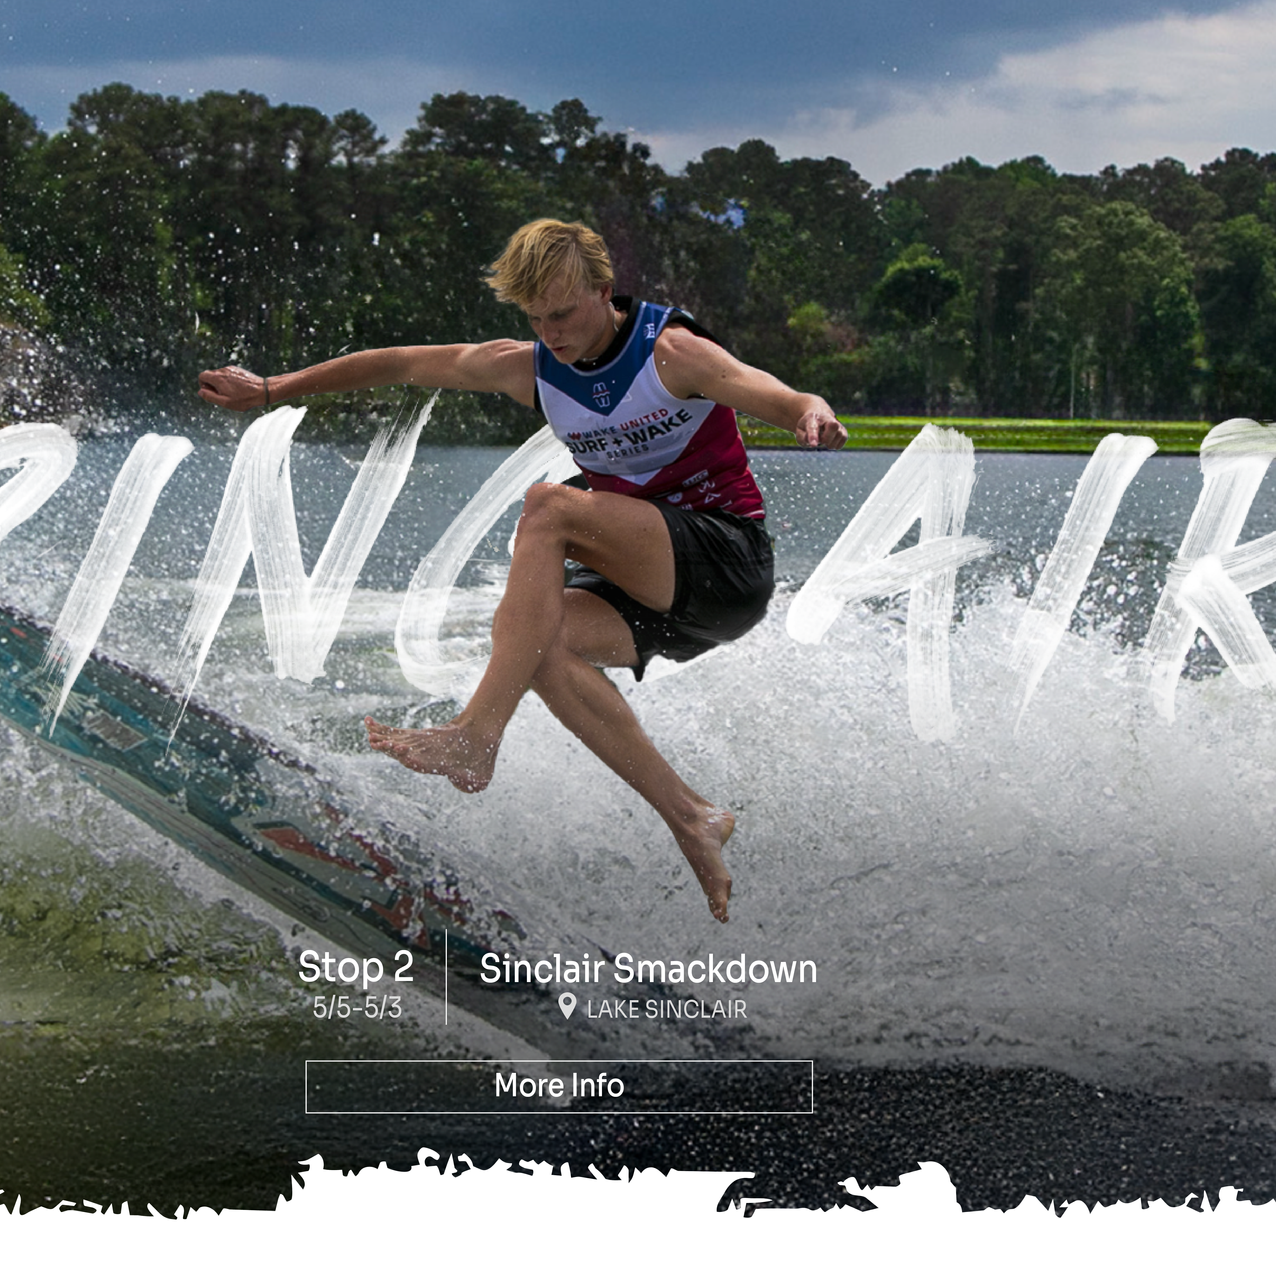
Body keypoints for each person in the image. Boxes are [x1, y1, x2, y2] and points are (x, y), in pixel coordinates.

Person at [198, 218, 845, 922]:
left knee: (549, 507)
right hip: (647, 583)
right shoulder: (530, 367)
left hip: (725, 562)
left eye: (564, 313)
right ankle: (692, 816)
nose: (553, 333)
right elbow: (400, 362)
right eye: (537, 318)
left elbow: (776, 394)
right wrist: (272, 388)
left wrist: (813, 414)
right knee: (540, 642)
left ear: (604, 291)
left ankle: (477, 736)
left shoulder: (671, 353)